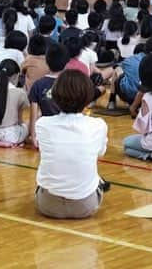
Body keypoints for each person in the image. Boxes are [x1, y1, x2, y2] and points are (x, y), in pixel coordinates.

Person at [34, 70, 109, 219]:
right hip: (85, 206)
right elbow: (101, 152)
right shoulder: (98, 125)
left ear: (55, 95)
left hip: (47, 205)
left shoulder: (42, 124)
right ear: (88, 97)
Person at [29, 44, 70, 146]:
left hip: (47, 129)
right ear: (66, 63)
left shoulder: (38, 84)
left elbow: (33, 115)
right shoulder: (70, 83)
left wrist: (33, 137)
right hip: (67, 130)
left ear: (46, 61)